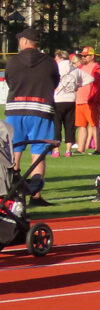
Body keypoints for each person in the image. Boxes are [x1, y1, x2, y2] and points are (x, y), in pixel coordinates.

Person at [4, 28, 59, 205]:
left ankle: (9, 194)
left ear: (26, 42)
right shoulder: (50, 62)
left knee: (12, 154)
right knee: (38, 154)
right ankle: (36, 196)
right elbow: (55, 82)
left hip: (15, 110)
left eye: (20, 40)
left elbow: (9, 80)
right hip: (41, 109)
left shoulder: (13, 61)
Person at [74, 47, 100, 154]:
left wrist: (97, 100)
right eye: (82, 56)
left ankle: (98, 149)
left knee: (94, 125)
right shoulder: (81, 68)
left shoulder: (97, 69)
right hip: (79, 100)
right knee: (81, 125)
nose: (83, 57)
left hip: (91, 101)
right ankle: (80, 148)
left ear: (92, 56)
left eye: (85, 55)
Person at [51, 51, 78, 156]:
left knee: (57, 126)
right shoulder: (74, 69)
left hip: (58, 99)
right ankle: (68, 150)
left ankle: (56, 150)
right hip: (71, 99)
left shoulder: (56, 67)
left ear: (59, 57)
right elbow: (88, 79)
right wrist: (77, 86)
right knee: (69, 125)